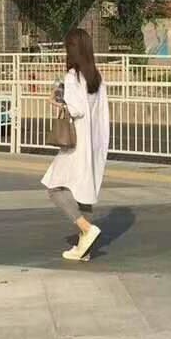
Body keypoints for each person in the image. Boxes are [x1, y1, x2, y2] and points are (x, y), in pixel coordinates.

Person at [41, 29, 110, 260]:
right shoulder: (96, 78)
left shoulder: (72, 76)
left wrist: (58, 102)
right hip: (94, 142)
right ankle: (83, 248)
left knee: (54, 187)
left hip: (76, 143)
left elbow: (77, 109)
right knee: (84, 191)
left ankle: (87, 229)